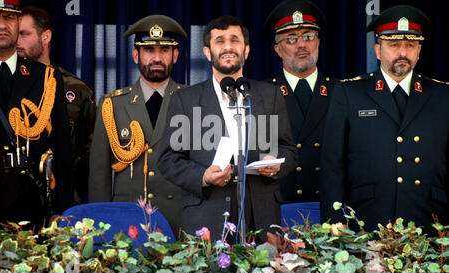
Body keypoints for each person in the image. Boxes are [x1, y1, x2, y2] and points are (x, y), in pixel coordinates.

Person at [158, 16, 296, 243]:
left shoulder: (270, 95)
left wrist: (275, 164)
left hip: (261, 217)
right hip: (207, 218)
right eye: (220, 41)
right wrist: (203, 176)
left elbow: (289, 150)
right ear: (207, 52)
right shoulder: (185, 100)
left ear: (247, 50)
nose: (228, 46)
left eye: (235, 40)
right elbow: (168, 159)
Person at [320, 5, 449, 236]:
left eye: (410, 45)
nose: (402, 52)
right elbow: (332, 166)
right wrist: (335, 224)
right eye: (394, 45)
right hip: (367, 223)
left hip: (430, 223)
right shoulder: (350, 93)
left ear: (419, 50)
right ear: (378, 50)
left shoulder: (442, 95)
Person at [89, 15, 187, 238]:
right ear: (136, 55)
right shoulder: (112, 104)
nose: (156, 57)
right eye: (149, 50)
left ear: (176, 55)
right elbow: (99, 175)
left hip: (177, 220)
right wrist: (100, 227)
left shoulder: (191, 101)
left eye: (164, 51)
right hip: (127, 220)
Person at [0, 0, 73, 230]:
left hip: (30, 206)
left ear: (18, 21)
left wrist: (61, 210)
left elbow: (62, 149)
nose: (2, 25)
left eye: (9, 17)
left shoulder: (45, 77)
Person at [16, 5, 96, 204]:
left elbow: (90, 152)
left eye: (24, 34)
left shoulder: (77, 89)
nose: (17, 42)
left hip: (65, 194)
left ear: (46, 36)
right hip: (16, 195)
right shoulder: (8, 85)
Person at [264, 0, 338, 203]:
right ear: (278, 50)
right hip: (279, 208)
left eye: (308, 36)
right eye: (291, 39)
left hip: (329, 209)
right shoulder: (262, 95)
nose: (302, 44)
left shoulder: (342, 92)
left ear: (318, 42)